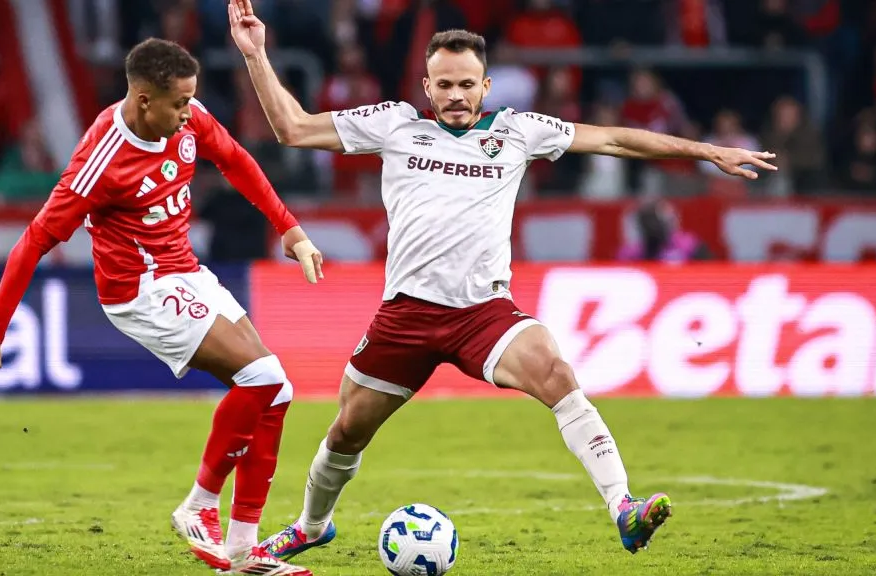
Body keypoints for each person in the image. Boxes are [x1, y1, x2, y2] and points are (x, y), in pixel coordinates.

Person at [228, 0, 777, 559]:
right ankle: (313, 525)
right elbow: (291, 129)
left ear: (486, 85)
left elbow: (613, 139)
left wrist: (707, 151)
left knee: (557, 373)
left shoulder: (517, 131)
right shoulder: (394, 125)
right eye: (444, 85)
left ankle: (624, 508)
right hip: (406, 315)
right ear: (427, 84)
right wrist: (257, 56)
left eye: (467, 84)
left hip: (484, 315)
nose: (456, 96)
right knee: (346, 432)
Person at [0, 38, 322, 576]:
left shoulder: (187, 117)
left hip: (186, 272)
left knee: (277, 390)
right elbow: (33, 241)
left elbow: (236, 161)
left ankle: (243, 551)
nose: (189, 112)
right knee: (262, 377)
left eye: (192, 100)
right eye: (179, 103)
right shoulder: (100, 160)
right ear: (145, 100)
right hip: (139, 290)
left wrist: (289, 228)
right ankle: (197, 505)